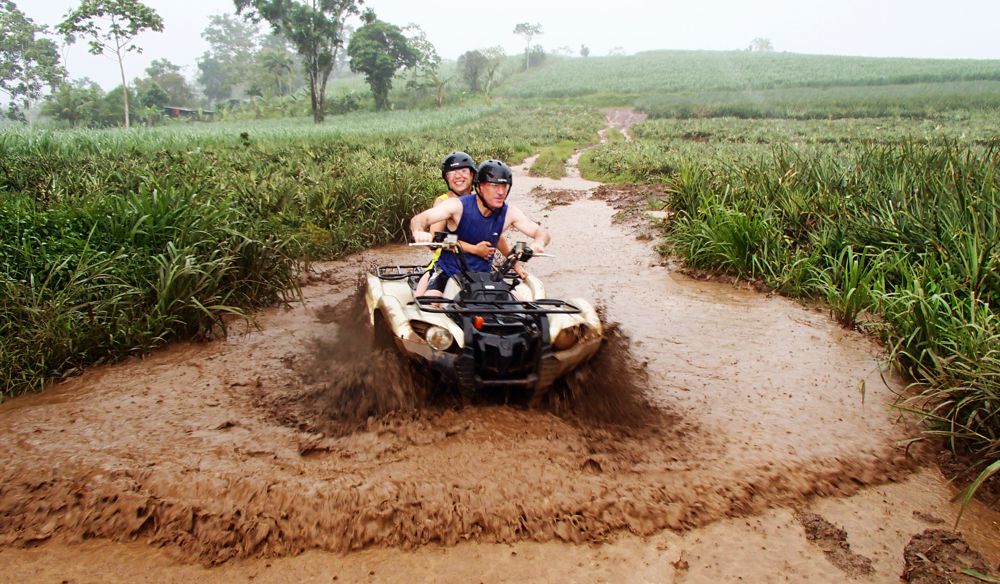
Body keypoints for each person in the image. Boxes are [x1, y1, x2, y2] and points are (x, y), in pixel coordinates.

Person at [411, 159, 550, 297]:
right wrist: (418, 231)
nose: (501, 192)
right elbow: (421, 219)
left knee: (519, 305)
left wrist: (538, 244)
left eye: (504, 186)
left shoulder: (509, 212)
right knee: (432, 301)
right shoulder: (456, 205)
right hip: (448, 272)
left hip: (482, 277)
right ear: (480, 187)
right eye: (494, 186)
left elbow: (540, 232)